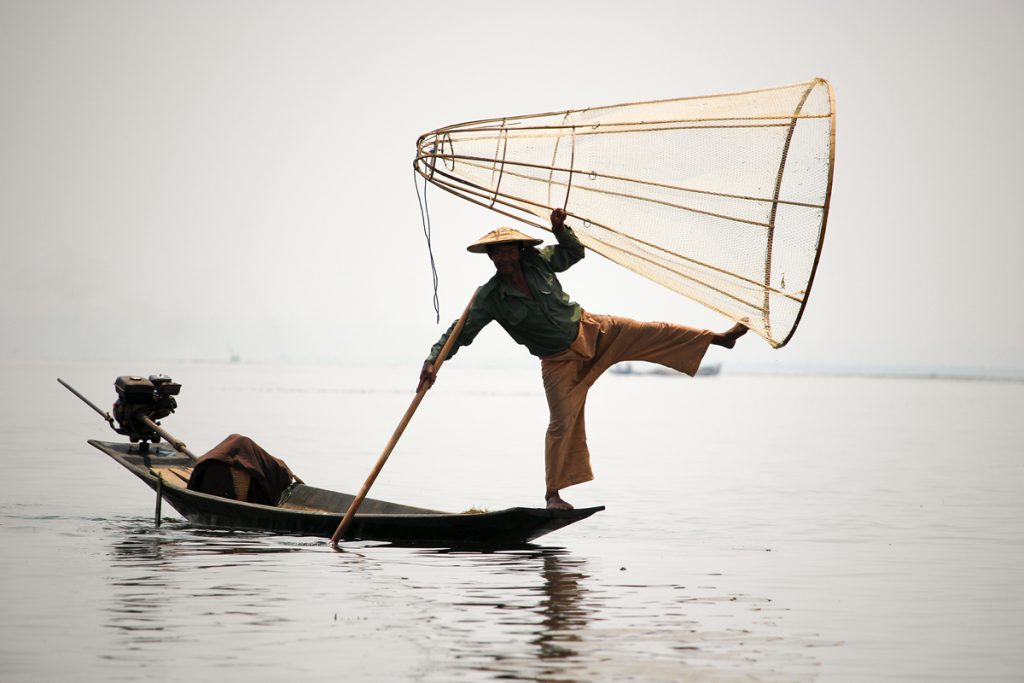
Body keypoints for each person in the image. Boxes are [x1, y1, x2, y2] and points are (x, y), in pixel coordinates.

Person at [419, 209, 748, 510]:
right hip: (558, 362)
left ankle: (718, 339)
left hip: (592, 331)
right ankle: (553, 495)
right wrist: (434, 361)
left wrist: (561, 230)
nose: (504, 258)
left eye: (509, 251)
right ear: (491, 258)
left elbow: (573, 253)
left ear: (519, 252)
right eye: (498, 253)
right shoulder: (488, 297)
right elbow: (458, 333)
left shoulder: (538, 261)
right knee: (561, 423)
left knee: (650, 331)